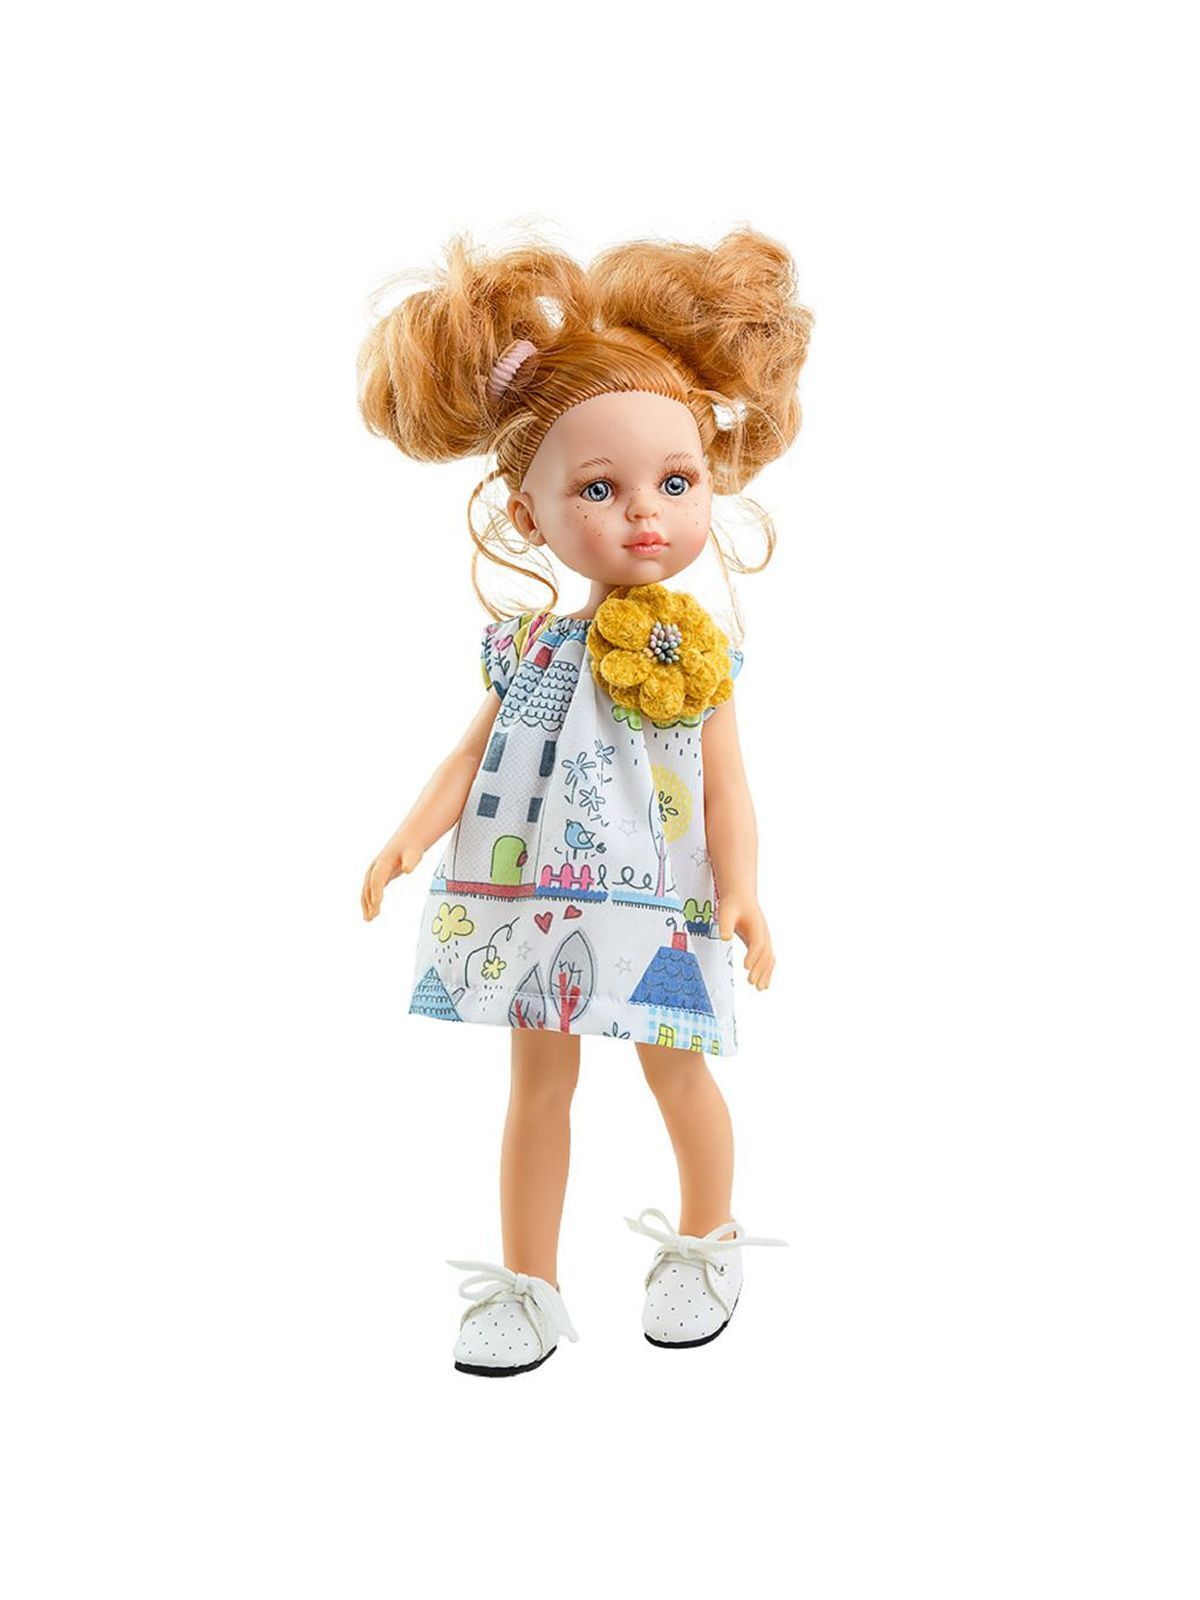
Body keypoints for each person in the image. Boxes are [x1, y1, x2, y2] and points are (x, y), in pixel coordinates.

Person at [358, 227, 813, 1375]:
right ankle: (530, 1281)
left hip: (659, 897)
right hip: (533, 896)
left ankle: (709, 1237)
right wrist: (409, 837)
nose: (645, 513)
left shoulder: (698, 656)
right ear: (528, 513)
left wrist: (745, 892)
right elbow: (472, 755)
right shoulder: (530, 649)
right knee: (538, 1081)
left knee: (675, 1063)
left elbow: (727, 787)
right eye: (599, 488)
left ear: (709, 480)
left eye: (676, 482)